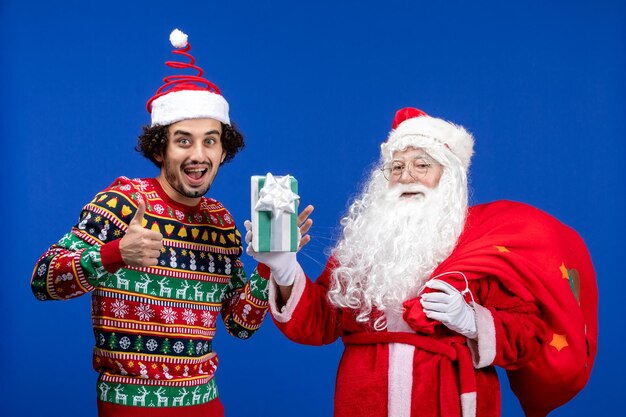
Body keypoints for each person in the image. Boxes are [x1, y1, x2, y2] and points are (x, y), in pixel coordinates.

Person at [246, 107, 597, 417]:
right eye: (396, 167)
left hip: (450, 400)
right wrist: (285, 268)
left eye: (421, 165)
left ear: (449, 177)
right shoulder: (362, 248)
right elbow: (320, 323)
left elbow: (529, 335)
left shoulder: (484, 247)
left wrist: (472, 321)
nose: (406, 176)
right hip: (363, 401)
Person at [30, 29, 309, 417]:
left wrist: (272, 264)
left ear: (224, 148)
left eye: (210, 141)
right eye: (183, 140)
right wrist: (115, 254)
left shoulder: (221, 223)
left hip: (207, 404)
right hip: (129, 408)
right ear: (160, 148)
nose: (198, 154)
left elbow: (241, 325)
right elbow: (44, 282)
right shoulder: (121, 203)